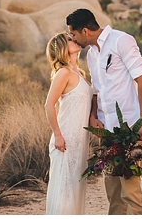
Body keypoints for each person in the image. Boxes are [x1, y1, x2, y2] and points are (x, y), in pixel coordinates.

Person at [67, 8, 142, 216]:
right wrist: (94, 117)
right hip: (106, 130)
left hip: (129, 128)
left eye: (74, 34)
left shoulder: (121, 40)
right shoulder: (91, 54)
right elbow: (97, 89)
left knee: (130, 189)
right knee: (112, 190)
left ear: (85, 31)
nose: (72, 38)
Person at [43, 31, 92, 215]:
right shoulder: (63, 73)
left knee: (74, 188)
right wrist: (58, 135)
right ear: (63, 48)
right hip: (65, 139)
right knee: (64, 192)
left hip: (79, 139)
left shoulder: (78, 72)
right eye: (70, 40)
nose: (75, 40)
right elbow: (49, 105)